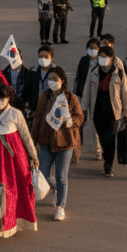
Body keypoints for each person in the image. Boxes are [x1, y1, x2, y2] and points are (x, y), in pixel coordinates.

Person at [0, 84, 38, 238]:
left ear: (8, 99)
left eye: (2, 98)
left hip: (14, 157)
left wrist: (33, 155)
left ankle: (12, 223)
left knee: (15, 188)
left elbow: (25, 135)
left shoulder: (15, 114)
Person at [31, 67, 84, 221]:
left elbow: (80, 117)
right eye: (50, 79)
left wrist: (71, 121)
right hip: (46, 142)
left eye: (55, 79)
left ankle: (60, 206)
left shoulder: (71, 98)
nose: (52, 82)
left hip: (65, 143)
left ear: (63, 81)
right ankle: (56, 188)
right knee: (43, 174)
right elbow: (38, 119)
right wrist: (32, 143)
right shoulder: (43, 97)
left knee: (61, 175)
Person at [81, 46, 127, 177]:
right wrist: (83, 108)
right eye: (100, 56)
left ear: (111, 58)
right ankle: (106, 156)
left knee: (110, 138)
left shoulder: (118, 72)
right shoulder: (94, 71)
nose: (102, 59)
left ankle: (108, 164)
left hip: (113, 113)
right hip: (97, 112)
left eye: (105, 57)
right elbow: (87, 89)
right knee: (103, 139)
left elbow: (125, 92)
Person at [27, 45, 57, 129]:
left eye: (46, 56)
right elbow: (28, 90)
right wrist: (30, 106)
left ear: (51, 58)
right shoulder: (33, 71)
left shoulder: (57, 72)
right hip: (36, 109)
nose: (43, 59)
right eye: (40, 56)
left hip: (51, 110)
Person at [2, 49, 31, 117]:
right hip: (8, 107)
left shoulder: (27, 73)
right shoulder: (5, 73)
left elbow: (30, 91)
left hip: (23, 107)